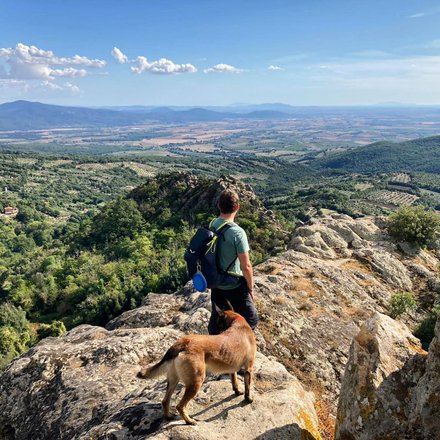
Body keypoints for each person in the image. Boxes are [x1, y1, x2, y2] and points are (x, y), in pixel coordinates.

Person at [208, 189, 258, 335]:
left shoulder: (213, 224)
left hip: (215, 281)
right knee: (251, 320)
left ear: (218, 205)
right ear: (237, 207)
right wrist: (250, 287)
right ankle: (240, 349)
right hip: (234, 284)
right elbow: (246, 266)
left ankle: (215, 346)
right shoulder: (238, 233)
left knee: (219, 319)